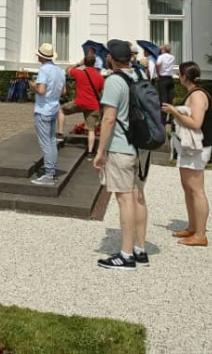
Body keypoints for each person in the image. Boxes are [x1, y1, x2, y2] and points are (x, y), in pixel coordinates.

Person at [94, 39, 150, 270]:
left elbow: (109, 118)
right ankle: (140, 248)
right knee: (138, 195)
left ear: (110, 58)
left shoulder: (114, 81)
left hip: (121, 145)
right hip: (141, 146)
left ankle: (126, 254)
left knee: (124, 198)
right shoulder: (140, 76)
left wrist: (100, 151)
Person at [160, 61, 212, 247]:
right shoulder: (193, 93)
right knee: (188, 188)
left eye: (180, 74)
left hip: (197, 147)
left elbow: (196, 123)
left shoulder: (198, 95)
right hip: (189, 147)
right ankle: (193, 226)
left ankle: (200, 234)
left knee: (197, 189)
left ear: (185, 76)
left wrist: (174, 112)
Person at [28, 43, 65, 185]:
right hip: (54, 107)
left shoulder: (44, 70)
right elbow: (64, 92)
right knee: (51, 141)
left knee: (46, 143)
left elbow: (41, 90)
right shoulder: (59, 71)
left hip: (43, 109)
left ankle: (49, 174)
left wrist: (33, 86)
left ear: (42, 57)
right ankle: (51, 170)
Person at [65, 50, 105, 158]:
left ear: (85, 62)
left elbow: (68, 70)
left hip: (80, 102)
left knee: (61, 110)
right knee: (91, 129)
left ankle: (59, 134)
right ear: (94, 63)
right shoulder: (100, 77)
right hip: (93, 106)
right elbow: (102, 92)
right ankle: (90, 152)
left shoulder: (79, 73)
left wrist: (79, 64)